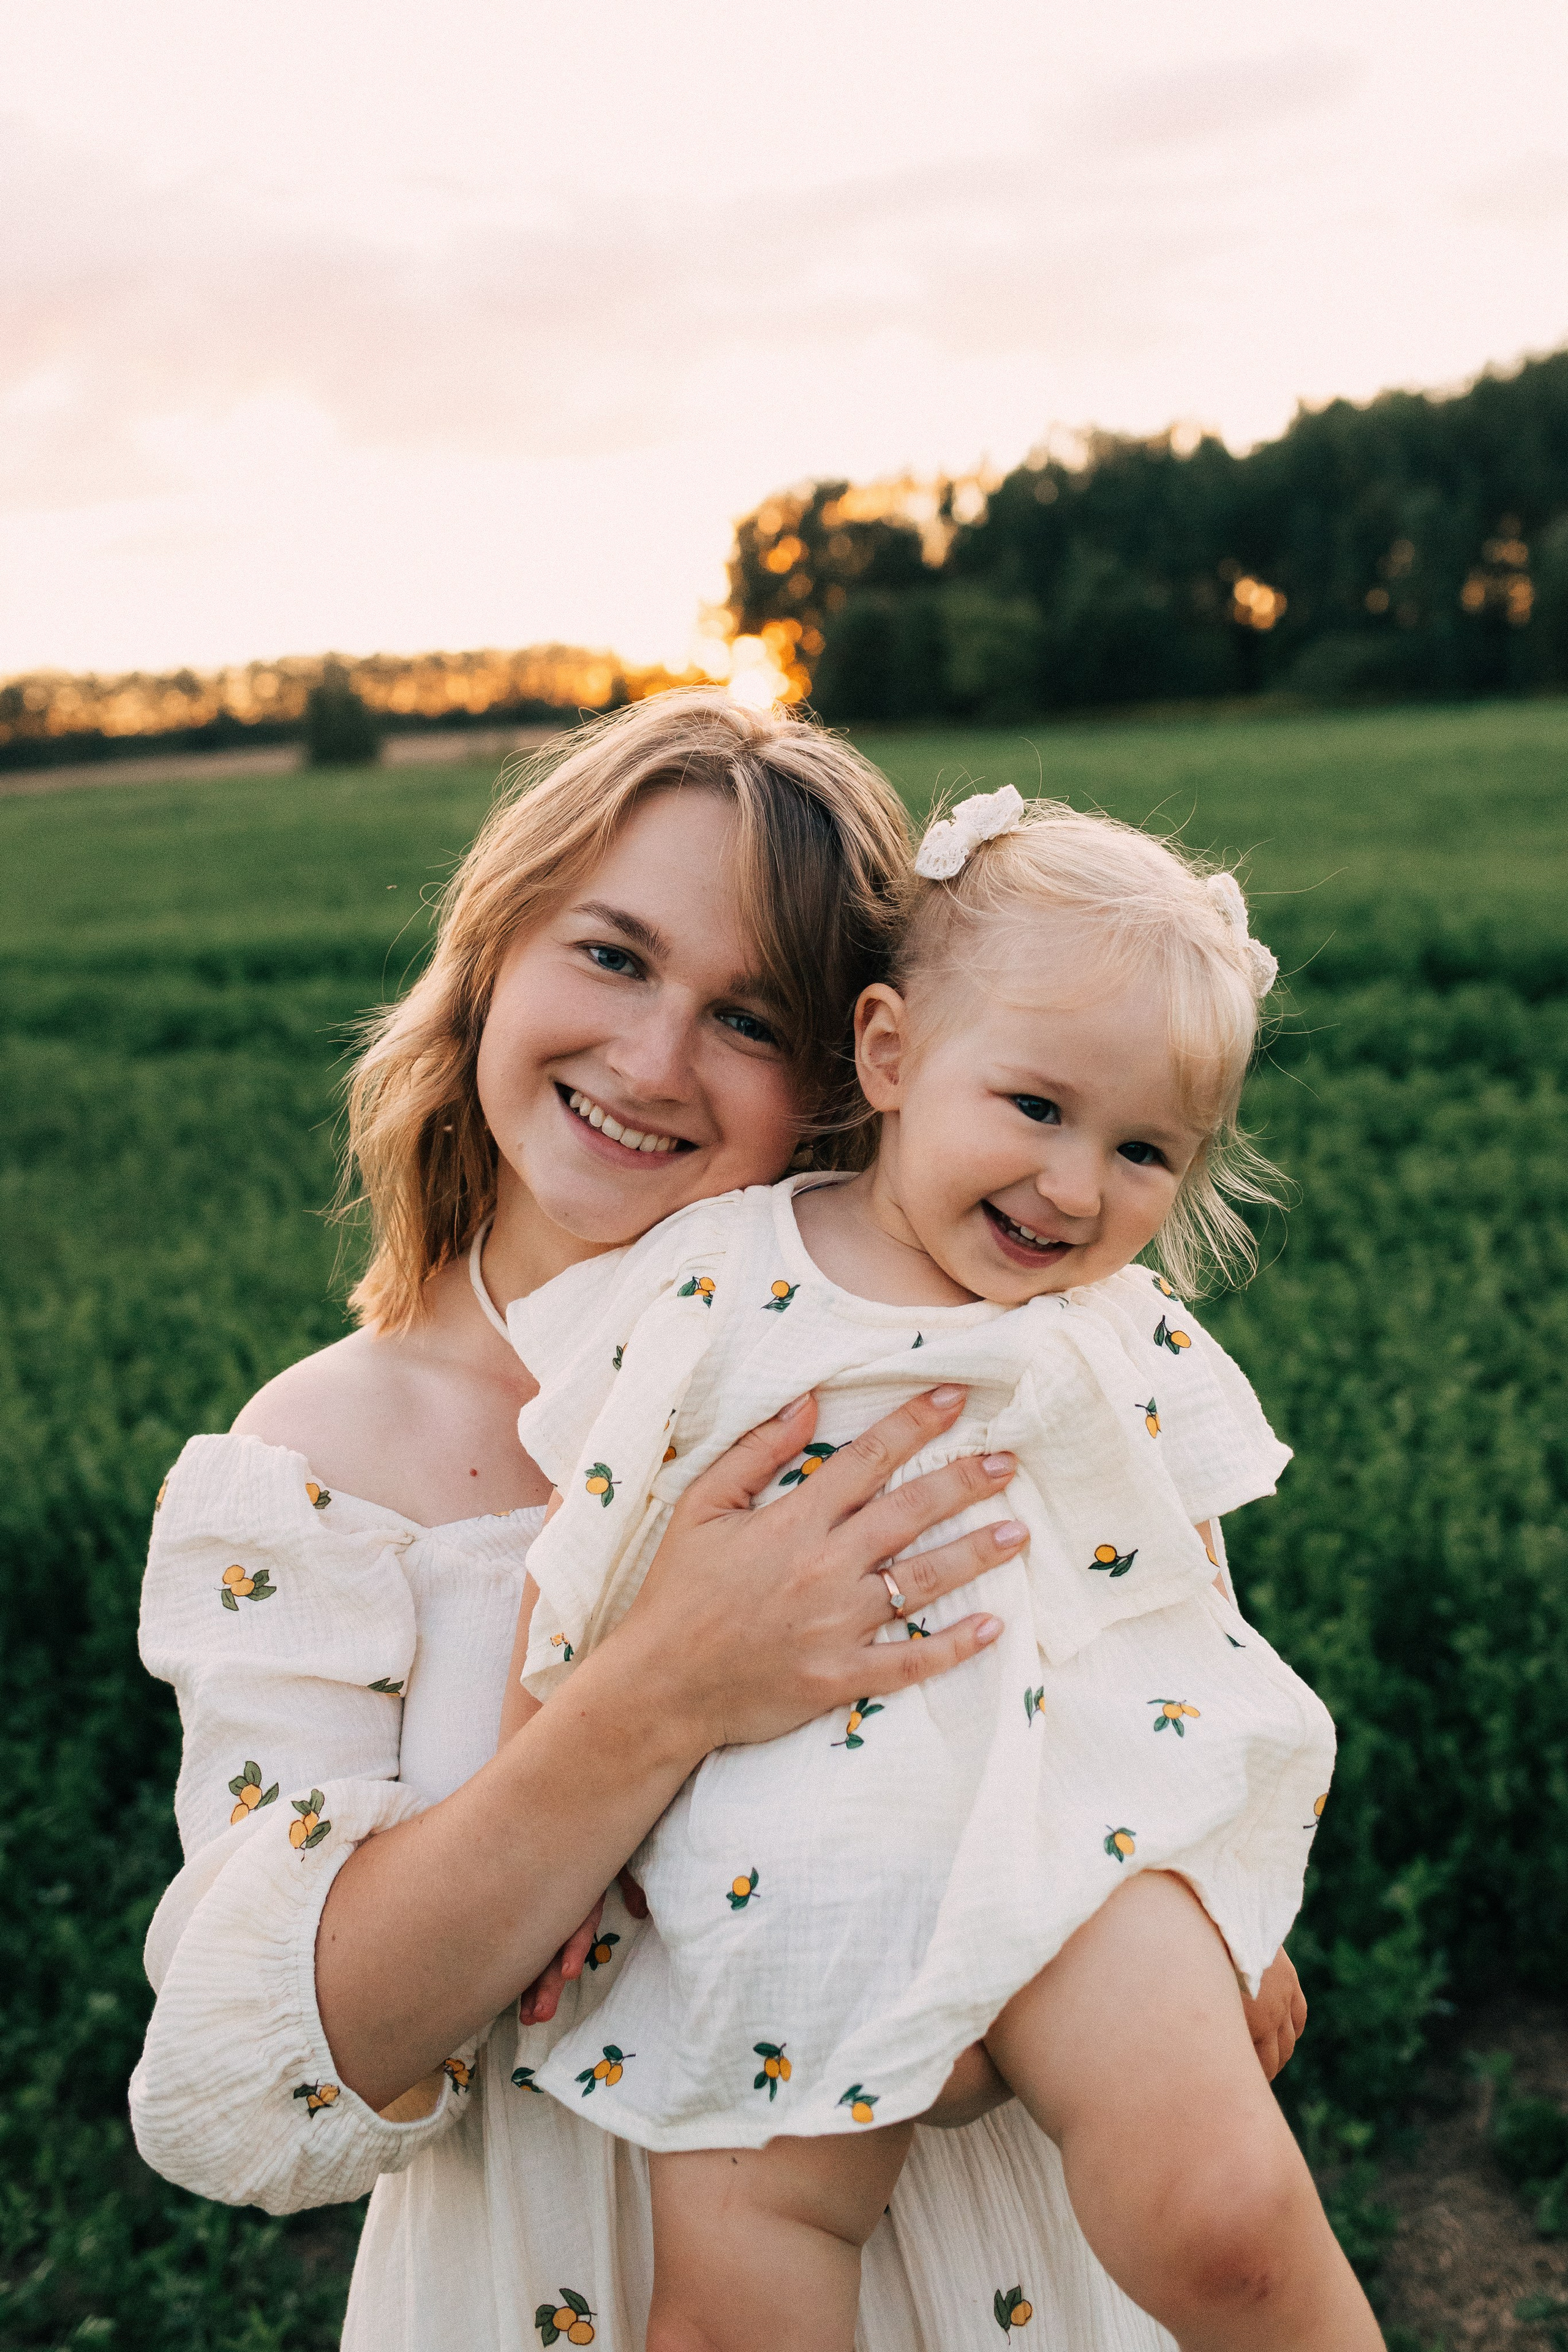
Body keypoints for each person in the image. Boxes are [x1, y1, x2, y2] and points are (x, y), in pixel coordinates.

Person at [131, 695, 1308, 2352]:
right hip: (566, 2278)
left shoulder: (972, 1368)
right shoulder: (322, 1462)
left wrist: (1161, 1949)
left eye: (749, 1017)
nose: (653, 1061)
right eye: (611, 957)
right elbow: (244, 2102)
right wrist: (664, 1689)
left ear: (863, 1069)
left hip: (999, 2272)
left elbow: (1146, 1723)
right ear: (492, 955)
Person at [494, 786, 1376, 2352]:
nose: (1073, 1188)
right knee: (743, 2279)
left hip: (1076, 1833)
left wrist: (1226, 1889)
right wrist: (542, 1816)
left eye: (1143, 1151)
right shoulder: (722, 1276)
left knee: (1226, 2217)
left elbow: (1182, 1604)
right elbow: (588, 1543)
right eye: (1034, 1109)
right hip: (786, 1855)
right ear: (891, 1056)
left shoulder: (1113, 1330)